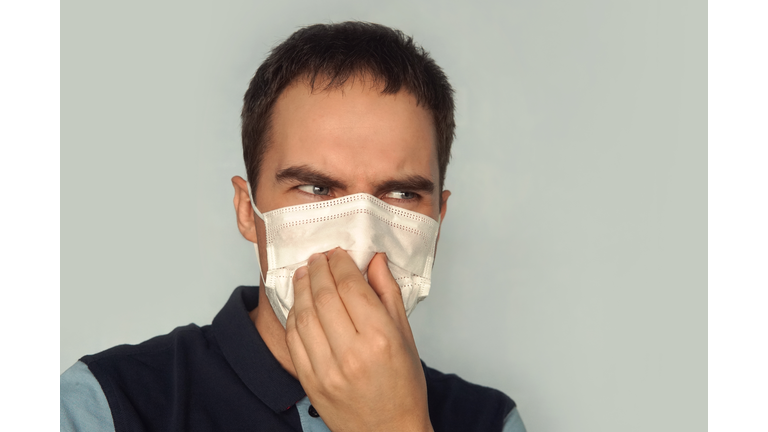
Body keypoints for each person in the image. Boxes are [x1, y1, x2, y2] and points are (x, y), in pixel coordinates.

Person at [60, 22, 526, 432]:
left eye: (401, 194)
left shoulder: (490, 421)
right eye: (316, 188)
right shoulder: (104, 404)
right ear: (247, 209)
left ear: (438, 221)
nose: (359, 240)